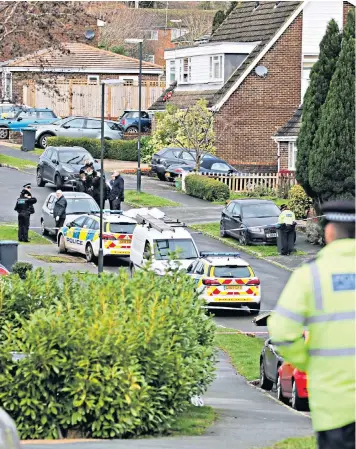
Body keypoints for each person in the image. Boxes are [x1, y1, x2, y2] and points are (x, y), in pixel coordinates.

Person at [268, 200, 356, 449]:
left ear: (329, 233)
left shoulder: (312, 275)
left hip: (334, 406)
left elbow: (283, 331)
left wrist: (309, 362)